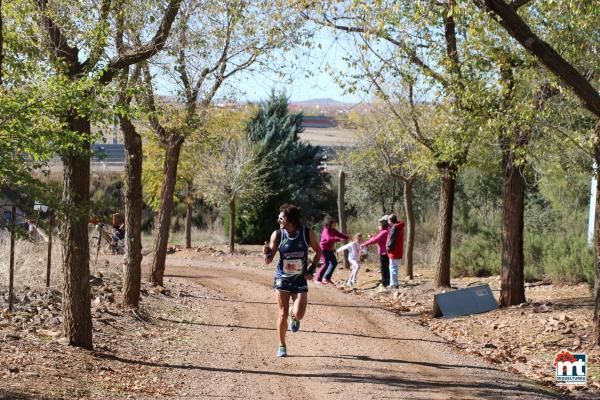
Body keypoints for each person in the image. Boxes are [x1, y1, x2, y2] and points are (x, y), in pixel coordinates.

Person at [263, 204, 321, 357]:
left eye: (281, 218)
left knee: (299, 313)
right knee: (282, 313)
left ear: (290, 220)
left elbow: (319, 251)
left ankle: (295, 318)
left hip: (300, 279)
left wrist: (312, 269)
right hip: (282, 278)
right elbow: (269, 260)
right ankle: (282, 345)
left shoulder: (306, 234)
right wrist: (265, 254)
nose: (278, 220)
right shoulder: (277, 235)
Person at [315, 216, 349, 284]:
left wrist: (347, 237)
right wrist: (338, 239)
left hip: (329, 249)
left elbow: (339, 234)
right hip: (323, 249)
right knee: (325, 264)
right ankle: (318, 279)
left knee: (334, 263)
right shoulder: (326, 230)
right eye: (334, 223)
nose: (335, 224)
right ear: (329, 224)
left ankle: (326, 278)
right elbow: (329, 238)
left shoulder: (333, 229)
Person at [361, 215, 390, 287]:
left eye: (381, 223)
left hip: (384, 253)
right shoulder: (386, 231)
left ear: (384, 223)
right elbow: (377, 239)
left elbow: (375, 240)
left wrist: (365, 244)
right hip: (385, 252)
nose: (380, 225)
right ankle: (386, 281)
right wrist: (372, 237)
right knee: (385, 268)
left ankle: (385, 282)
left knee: (384, 268)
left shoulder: (384, 232)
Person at [386, 214, 406, 289]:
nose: (387, 222)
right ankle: (394, 283)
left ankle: (394, 284)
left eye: (388, 220)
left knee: (393, 267)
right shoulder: (399, 227)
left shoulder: (395, 228)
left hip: (394, 251)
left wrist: (387, 249)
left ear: (390, 221)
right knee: (394, 267)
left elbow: (392, 241)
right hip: (398, 250)